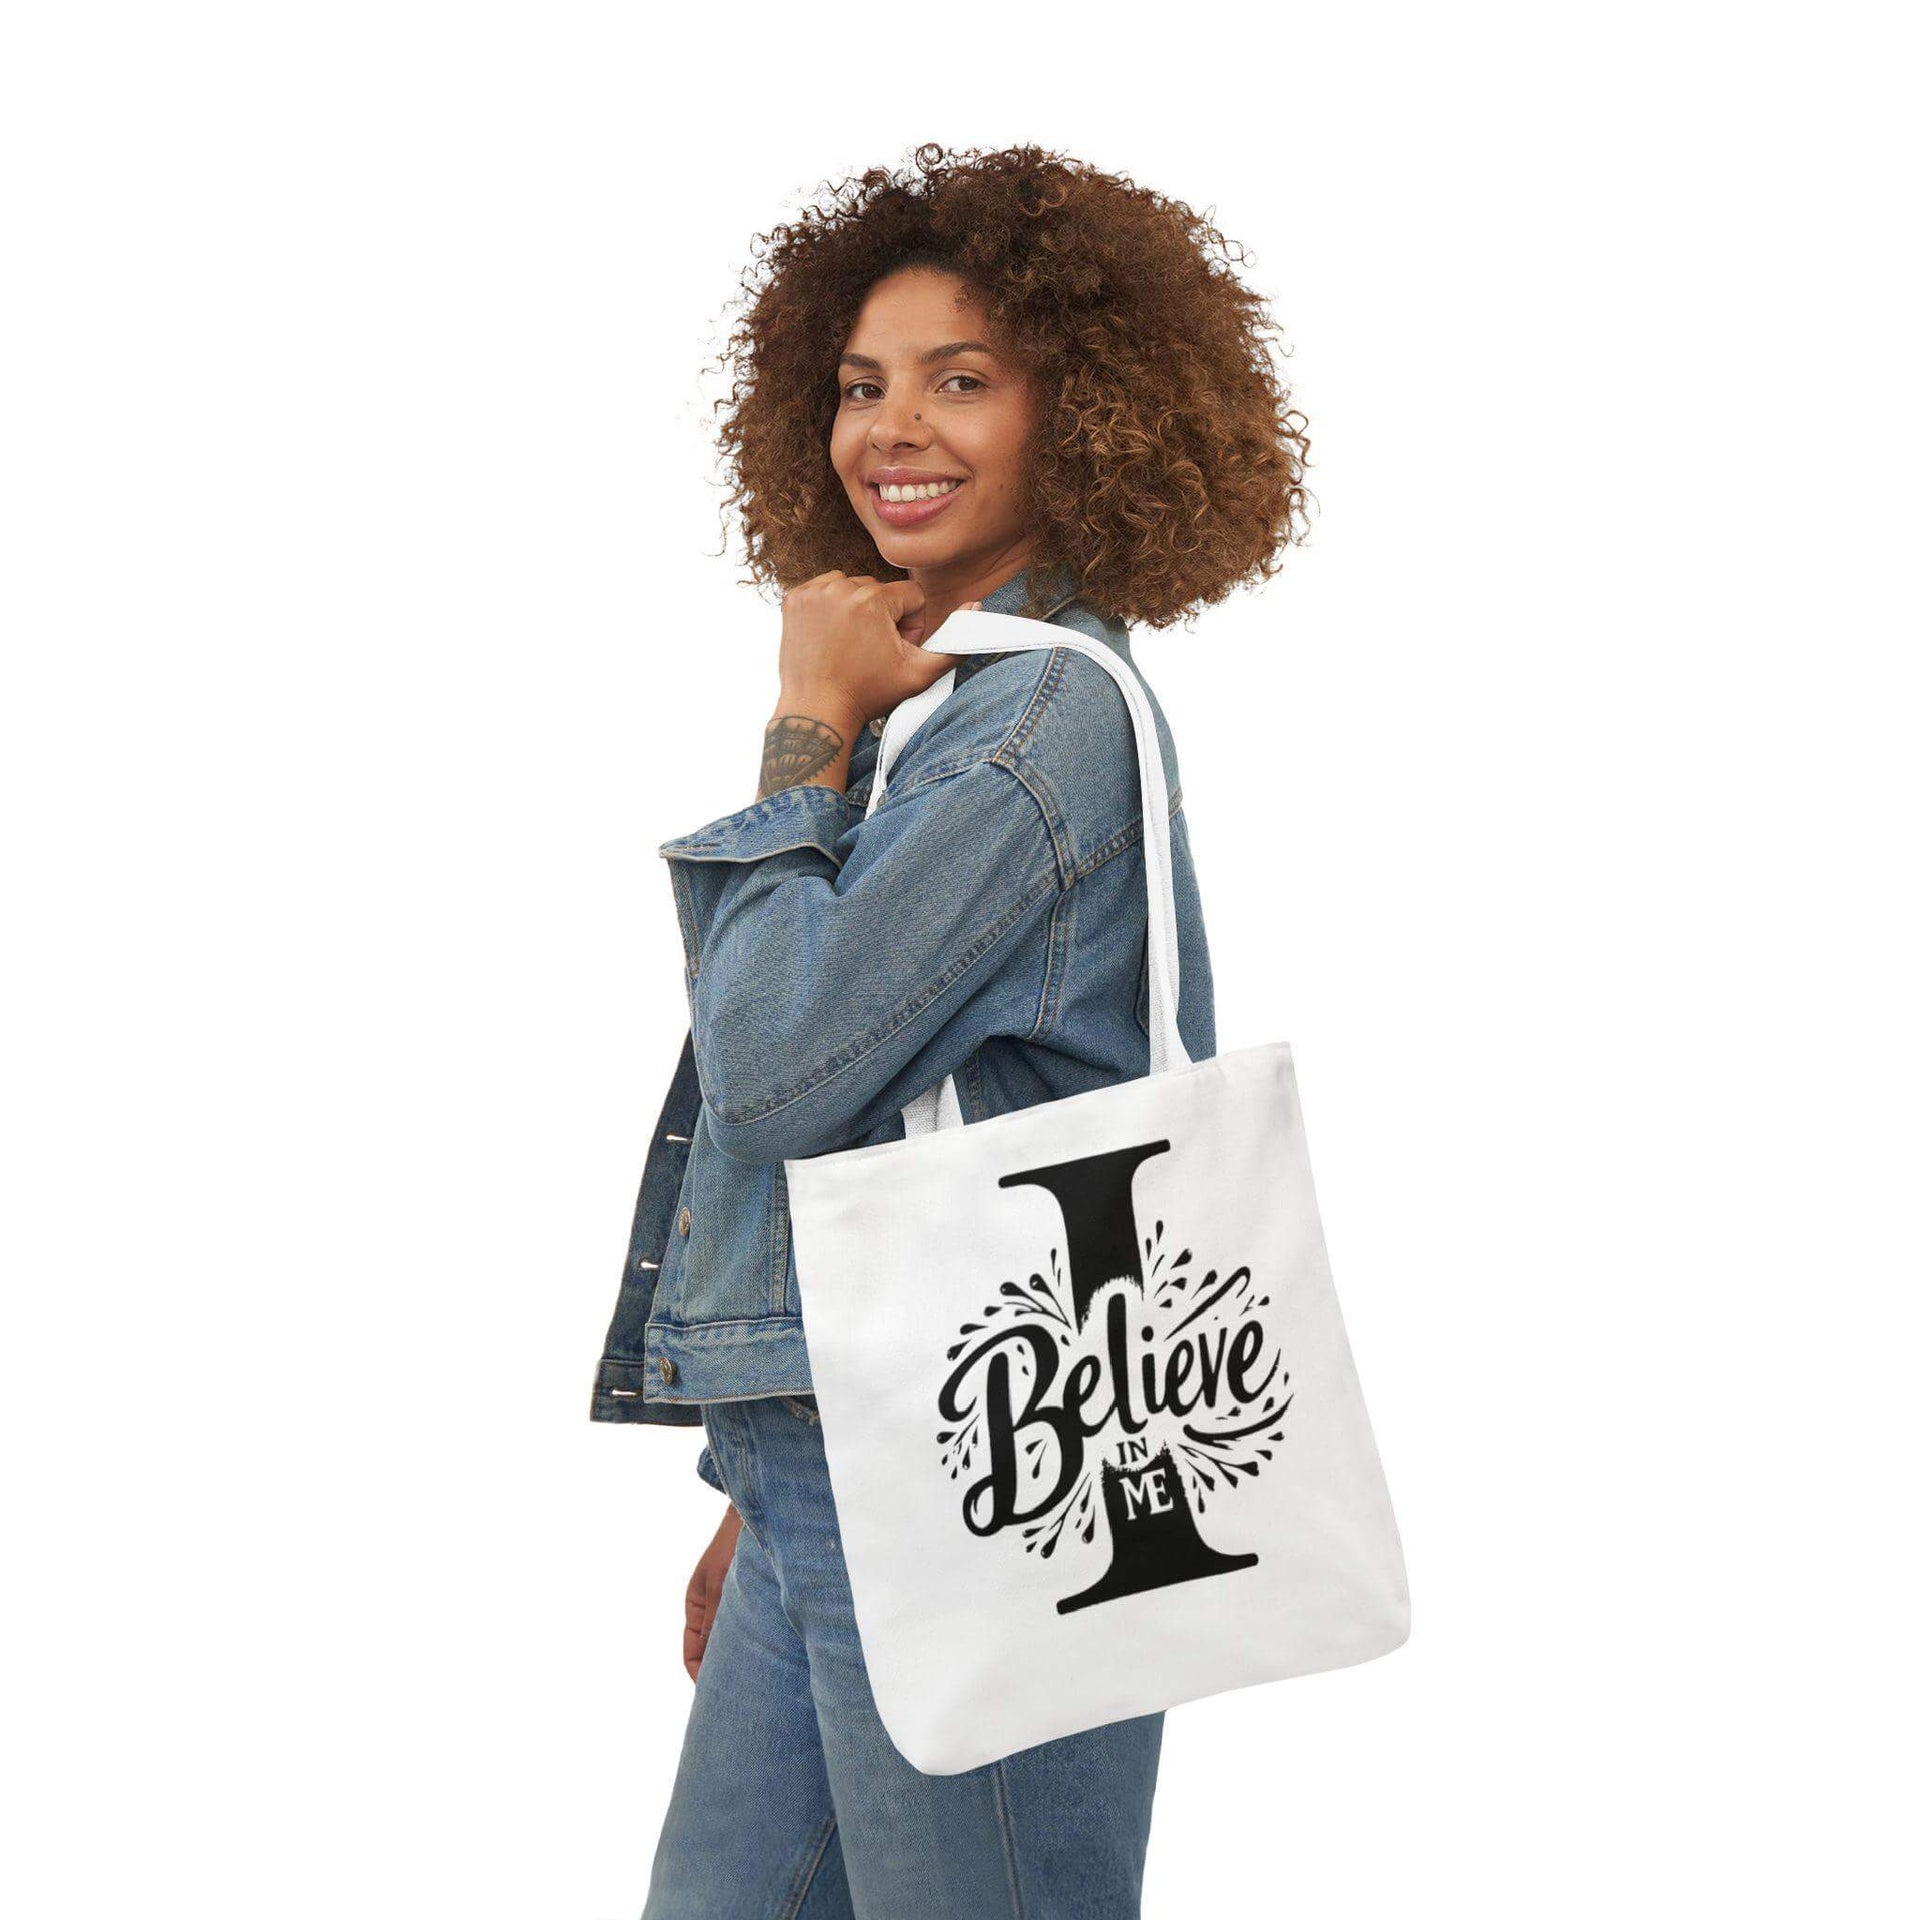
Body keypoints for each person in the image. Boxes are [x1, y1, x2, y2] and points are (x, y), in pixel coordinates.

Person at [590, 142, 1311, 1918]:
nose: (887, 430)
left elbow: (781, 1073)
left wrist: (801, 734)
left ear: (1091, 414)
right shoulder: (956, 708)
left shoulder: (1032, 729)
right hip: (842, 1452)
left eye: (961, 380)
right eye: (857, 386)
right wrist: (761, 1476)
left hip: (984, 1479)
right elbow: (876, 1143)